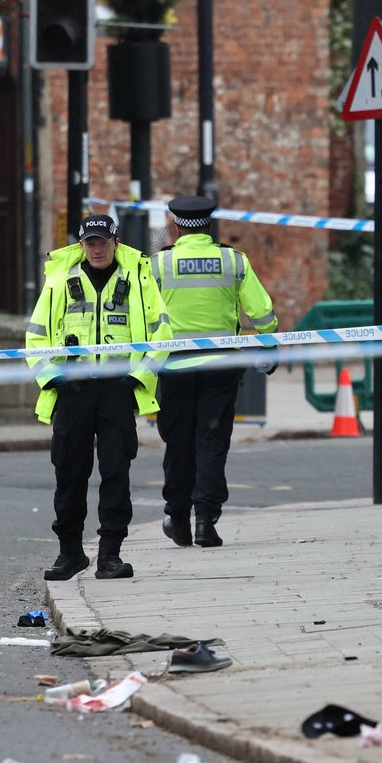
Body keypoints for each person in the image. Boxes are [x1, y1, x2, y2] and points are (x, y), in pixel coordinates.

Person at [24, 213, 168, 582]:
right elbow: (36, 338)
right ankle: (70, 553)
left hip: (117, 390)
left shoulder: (137, 278)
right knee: (69, 473)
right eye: (90, 243)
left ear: (115, 243)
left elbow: (162, 333)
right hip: (73, 390)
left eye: (103, 242)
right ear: (82, 245)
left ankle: (110, 556)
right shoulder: (60, 280)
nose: (97, 249)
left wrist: (136, 378)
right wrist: (54, 379)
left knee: (116, 473)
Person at [148, 195, 279, 549]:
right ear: (210, 224)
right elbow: (262, 311)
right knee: (211, 441)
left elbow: (144, 316)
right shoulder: (232, 260)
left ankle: (177, 517)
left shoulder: (159, 265)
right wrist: (269, 342)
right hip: (220, 366)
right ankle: (206, 520)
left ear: (176, 225)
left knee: (178, 442)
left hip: (174, 366)